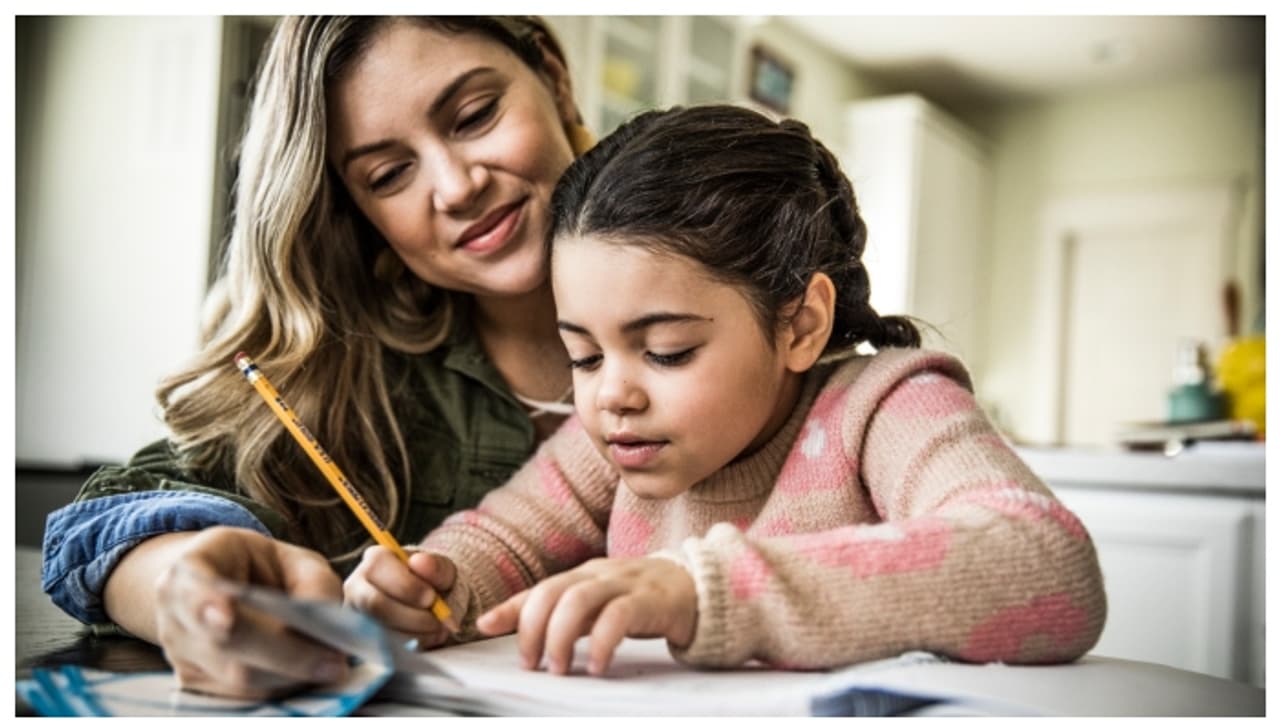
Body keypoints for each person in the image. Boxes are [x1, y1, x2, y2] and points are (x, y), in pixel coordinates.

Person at [345, 104, 1108, 676]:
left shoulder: (886, 407)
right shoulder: (612, 443)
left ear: (801, 324)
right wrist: (433, 585)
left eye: (668, 351)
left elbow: (1048, 564)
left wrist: (702, 589)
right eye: (581, 356)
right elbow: (501, 541)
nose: (613, 394)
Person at [40, 16, 594, 699]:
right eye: (389, 174)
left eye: (474, 116)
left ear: (555, 78)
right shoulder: (354, 383)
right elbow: (102, 521)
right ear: (355, 206)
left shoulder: (743, 264)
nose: (456, 187)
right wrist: (184, 589)